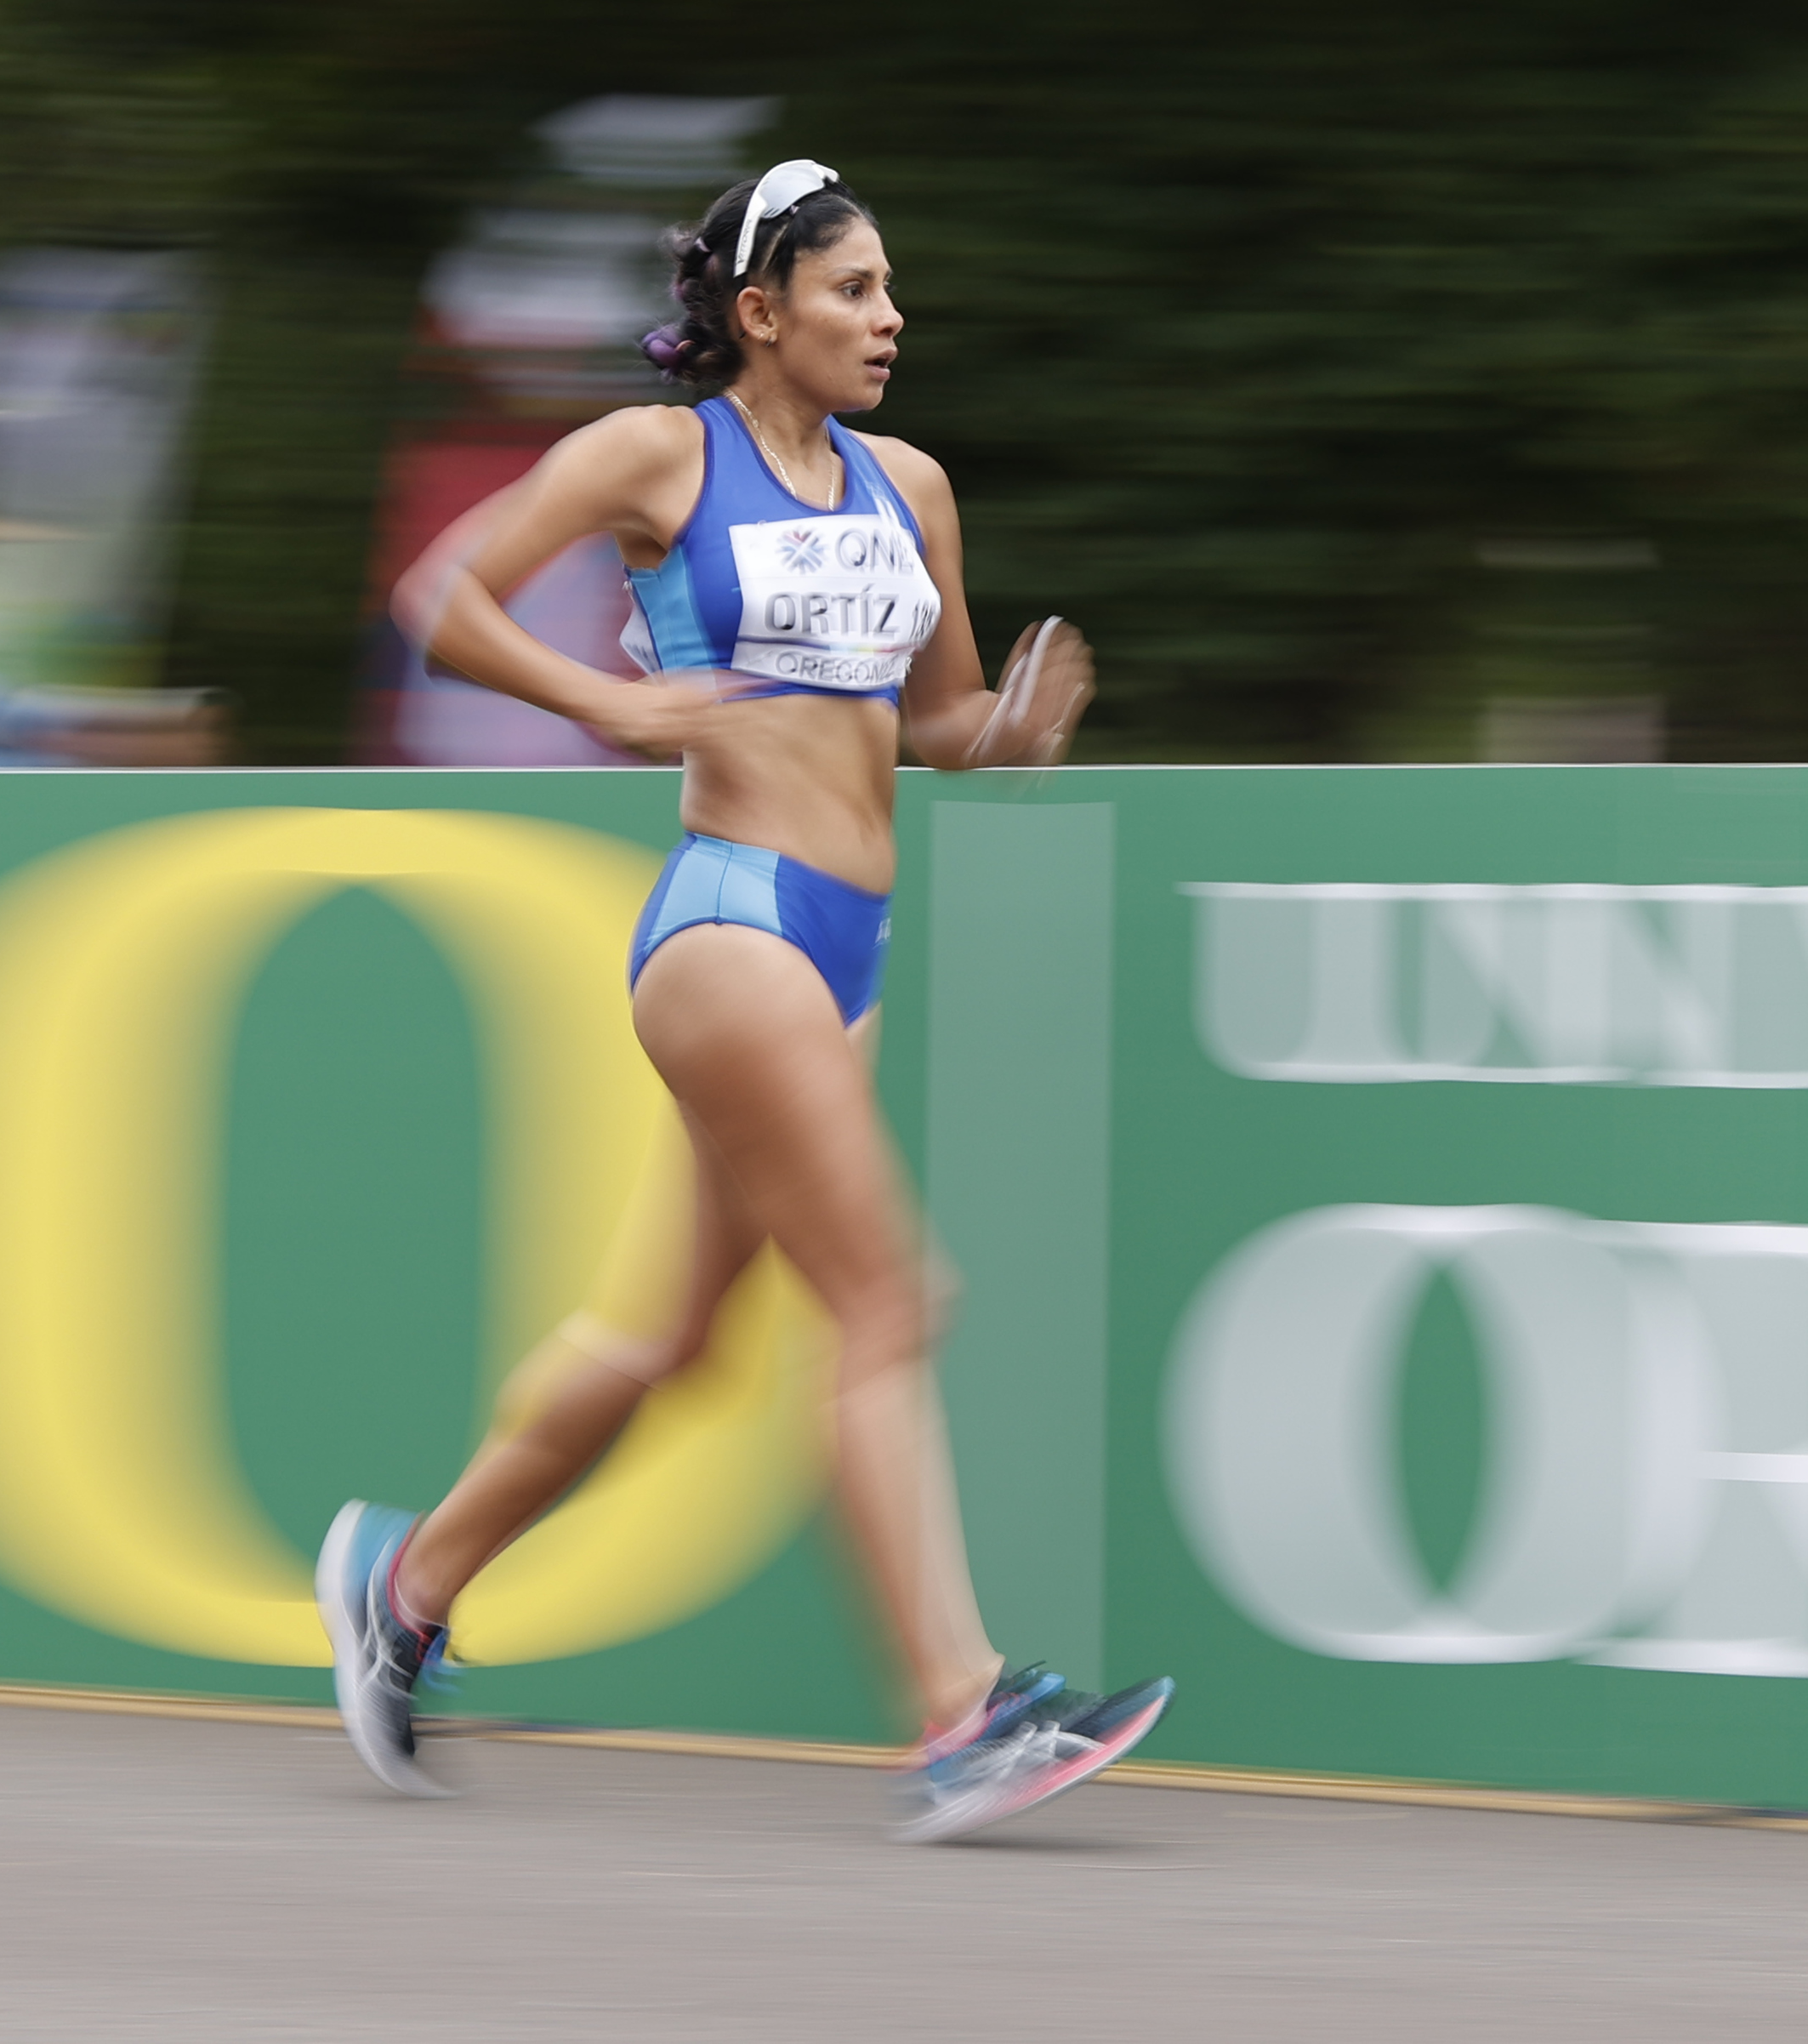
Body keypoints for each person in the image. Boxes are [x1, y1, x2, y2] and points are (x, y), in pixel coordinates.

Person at [316, 159, 1171, 1843]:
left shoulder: (906, 484)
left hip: (844, 937)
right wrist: (602, 703)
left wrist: (1009, 733)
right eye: (854, 291)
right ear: (762, 312)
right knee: (889, 1297)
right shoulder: (657, 454)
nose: (889, 317)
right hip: (726, 927)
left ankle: (401, 1586)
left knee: (668, 1337)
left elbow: (928, 725)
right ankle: (962, 1711)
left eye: (890, 291)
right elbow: (444, 598)